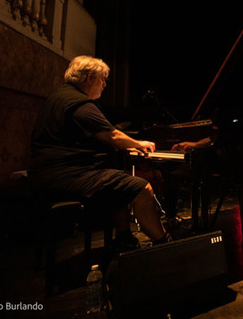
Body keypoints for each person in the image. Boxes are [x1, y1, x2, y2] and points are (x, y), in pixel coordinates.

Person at [30, 55, 171, 252]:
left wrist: (126, 145)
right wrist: (139, 143)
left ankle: (123, 237)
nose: (105, 84)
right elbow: (112, 136)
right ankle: (163, 242)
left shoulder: (60, 96)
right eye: (102, 78)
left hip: (47, 173)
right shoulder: (79, 102)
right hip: (64, 176)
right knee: (142, 187)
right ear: (88, 78)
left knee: (118, 181)